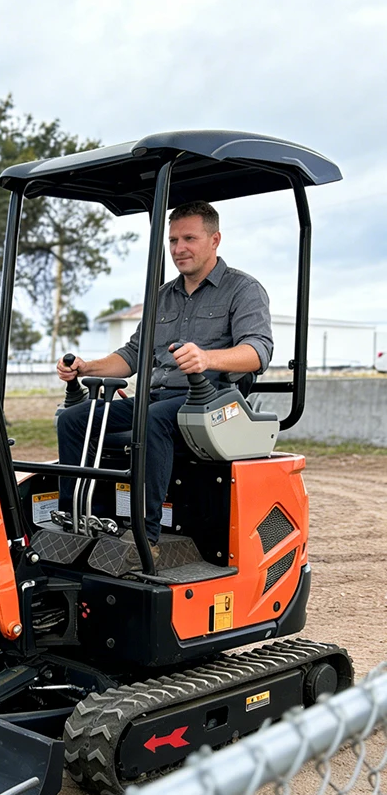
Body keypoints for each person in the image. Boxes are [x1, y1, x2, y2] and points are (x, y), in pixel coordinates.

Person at [56, 200, 273, 544]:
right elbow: (133, 355)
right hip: (157, 399)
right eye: (173, 240)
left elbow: (258, 351)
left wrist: (207, 359)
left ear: (215, 240)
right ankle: (81, 520)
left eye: (189, 238)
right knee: (73, 420)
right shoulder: (161, 297)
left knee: (152, 418)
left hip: (212, 405)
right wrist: (86, 367)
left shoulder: (243, 290)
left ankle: (147, 536)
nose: (179, 248)